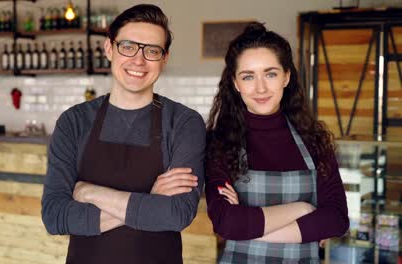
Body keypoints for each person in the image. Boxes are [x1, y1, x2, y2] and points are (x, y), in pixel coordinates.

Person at [41, 4, 205, 264]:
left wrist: (88, 193)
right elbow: (54, 216)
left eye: (152, 51)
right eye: (128, 46)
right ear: (109, 49)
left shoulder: (184, 123)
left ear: (164, 59)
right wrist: (151, 202)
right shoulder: (73, 122)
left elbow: (177, 214)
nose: (138, 60)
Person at [205, 22, 349, 263]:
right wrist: (303, 210)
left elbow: (337, 220)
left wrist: (249, 226)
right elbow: (227, 223)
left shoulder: (314, 141)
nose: (260, 87)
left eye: (270, 73)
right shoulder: (220, 144)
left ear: (286, 77)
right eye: (248, 76)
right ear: (235, 83)